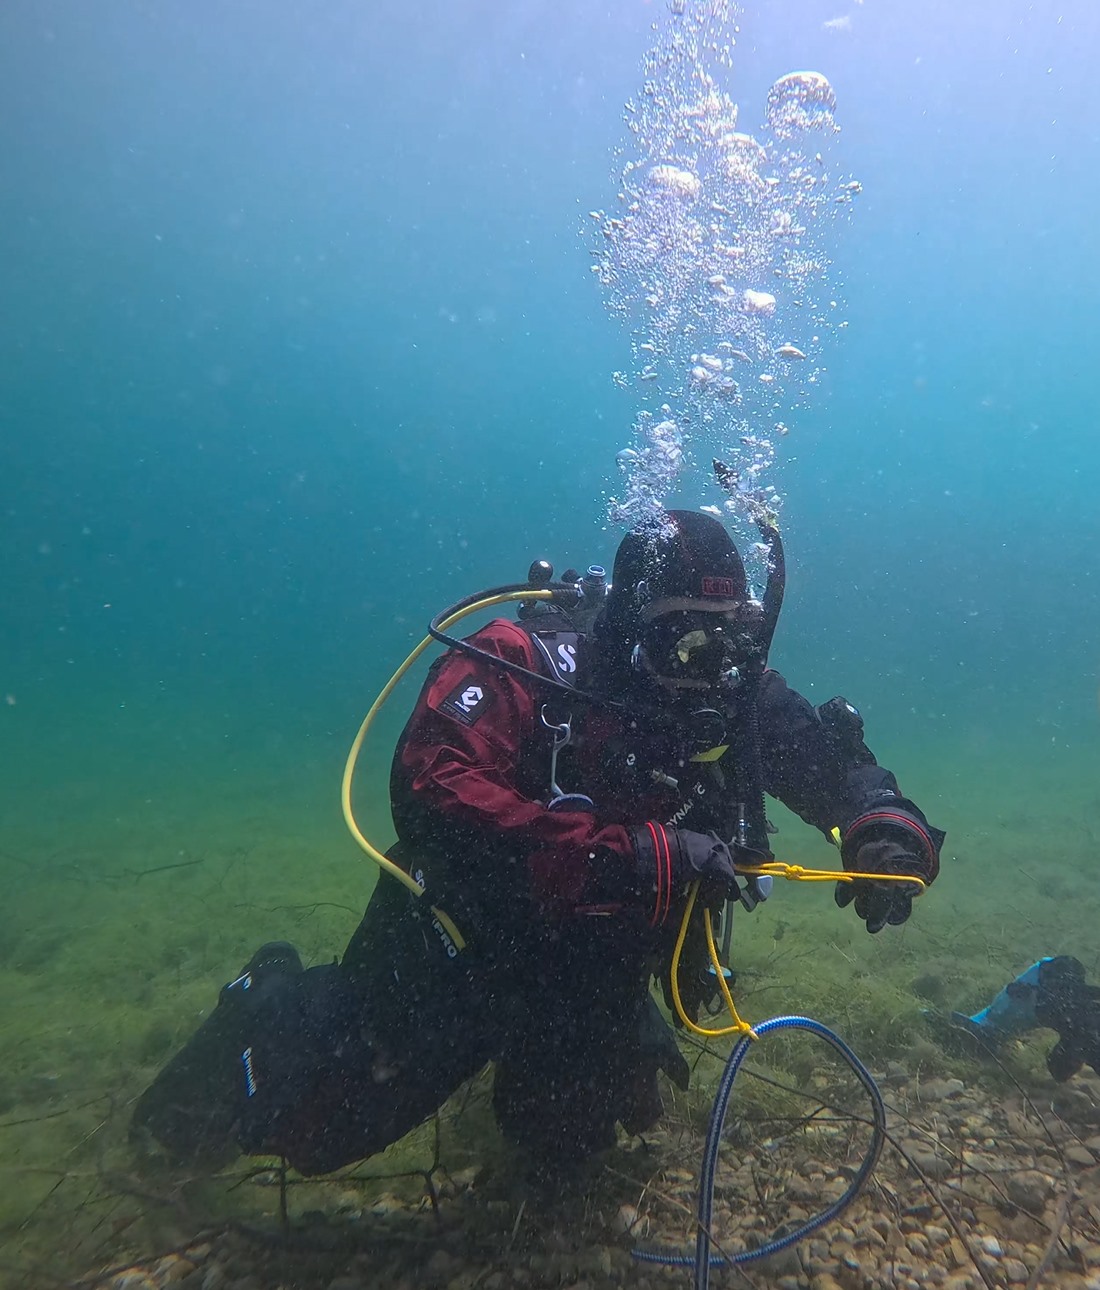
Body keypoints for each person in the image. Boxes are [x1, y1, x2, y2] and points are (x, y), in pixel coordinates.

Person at [132, 509, 943, 1179]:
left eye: (727, 641)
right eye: (685, 641)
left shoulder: (730, 691)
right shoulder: (525, 664)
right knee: (318, 1130)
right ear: (632, 621)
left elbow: (830, 766)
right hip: (462, 948)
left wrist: (881, 827)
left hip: (587, 969)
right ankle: (269, 992)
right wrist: (620, 852)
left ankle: (575, 1062)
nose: (708, 669)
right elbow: (429, 786)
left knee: (567, 1141)